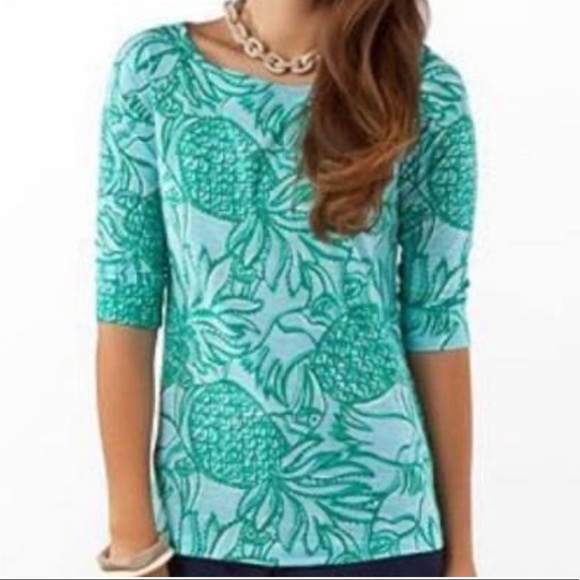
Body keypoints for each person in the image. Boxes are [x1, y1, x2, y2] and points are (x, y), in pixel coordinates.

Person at [94, 0, 478, 577]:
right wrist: (132, 543)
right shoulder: (155, 72)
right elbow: (126, 305)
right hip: (205, 525)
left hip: (386, 525)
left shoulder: (424, 90)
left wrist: (462, 557)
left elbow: (437, 318)